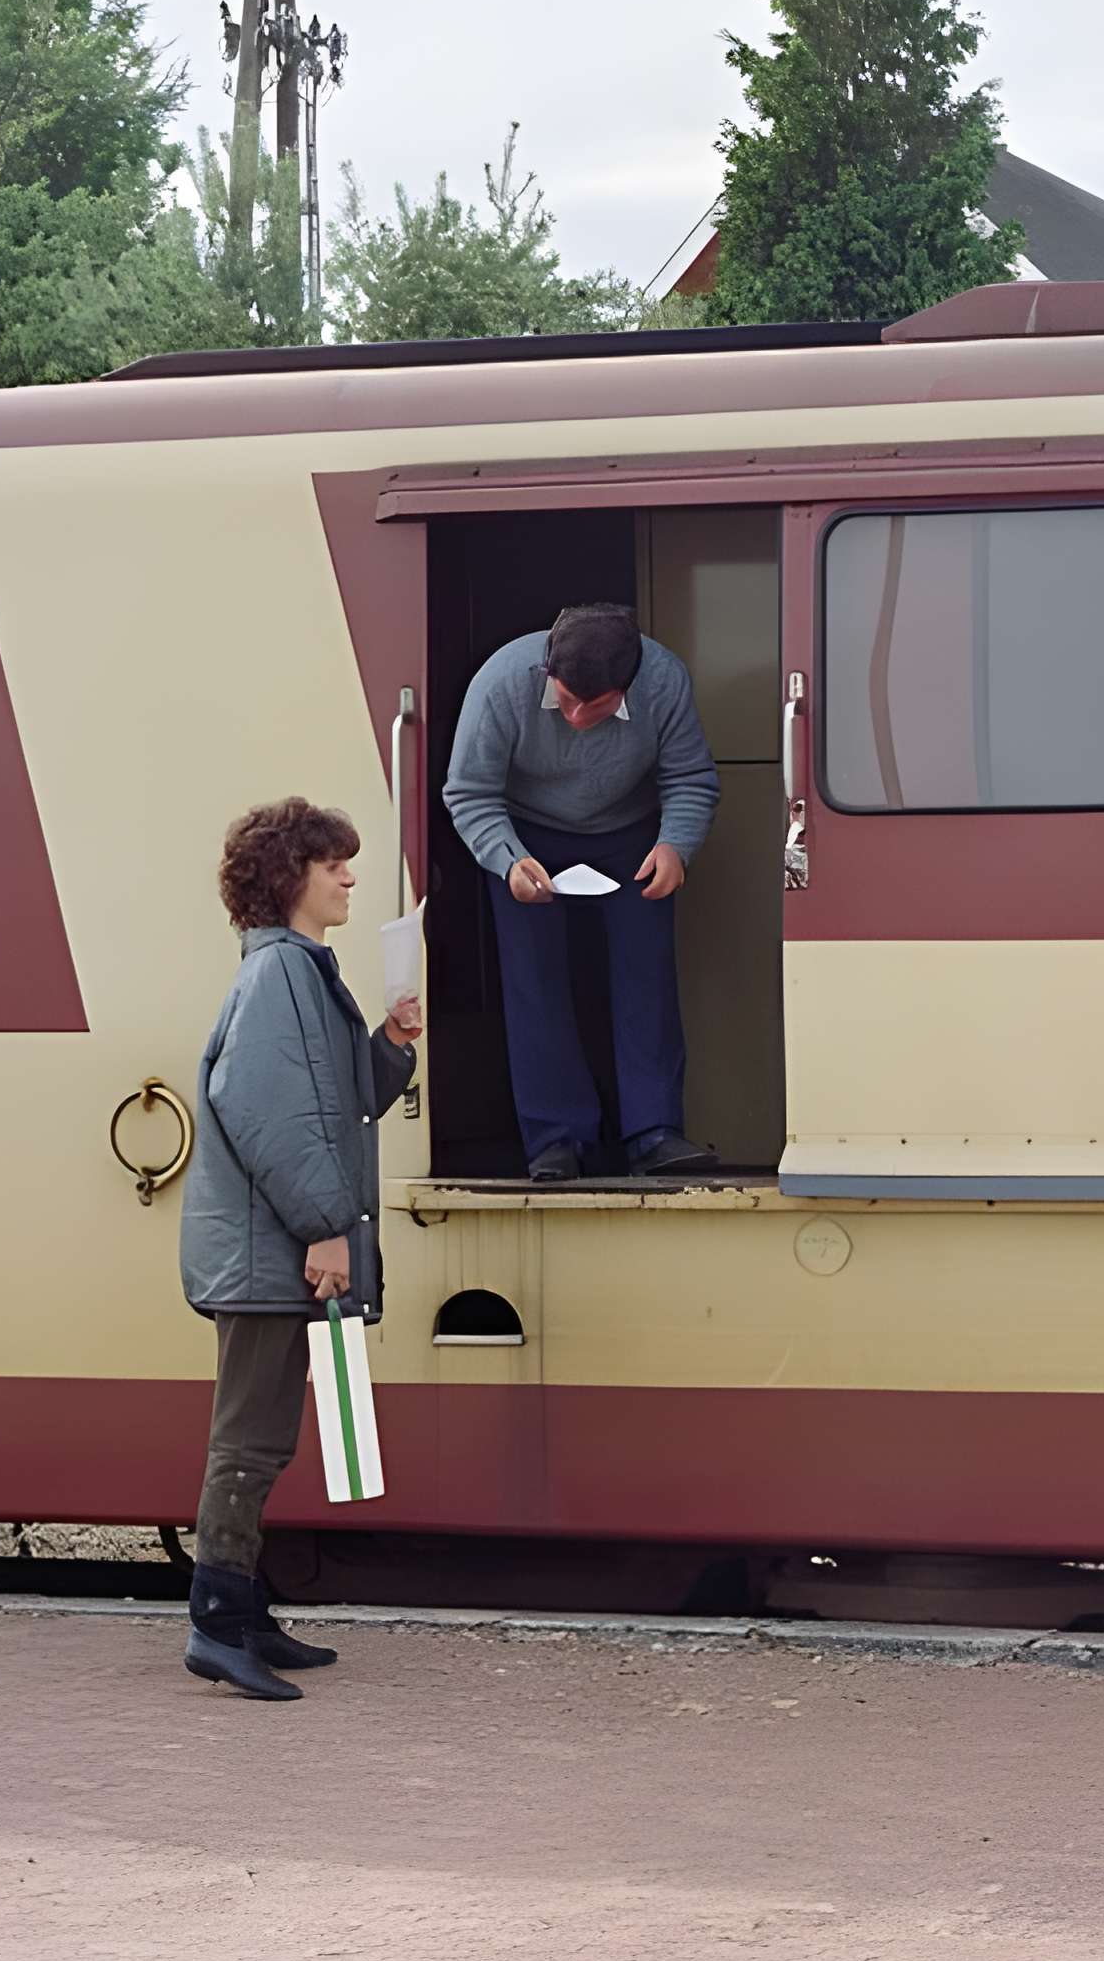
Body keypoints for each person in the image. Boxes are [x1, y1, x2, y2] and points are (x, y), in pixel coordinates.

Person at [175, 798, 422, 1700]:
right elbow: (269, 1117)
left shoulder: (297, 971)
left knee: (266, 1441)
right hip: (271, 1251)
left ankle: (241, 1612)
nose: (350, 877)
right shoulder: (280, 976)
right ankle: (215, 1624)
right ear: (291, 878)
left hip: (273, 1248)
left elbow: (334, 1103)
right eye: (333, 865)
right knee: (247, 1444)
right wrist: (325, 1226)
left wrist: (390, 1047)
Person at [442, 602, 720, 1181]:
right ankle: (556, 1139)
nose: (573, 716)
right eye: (564, 699)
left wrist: (676, 846)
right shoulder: (499, 685)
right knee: (533, 979)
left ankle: (655, 1132)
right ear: (548, 672)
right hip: (525, 834)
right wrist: (508, 861)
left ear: (629, 686)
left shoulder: (664, 681)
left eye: (594, 707)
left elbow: (689, 778)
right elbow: (469, 793)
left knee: (646, 974)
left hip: (631, 832)